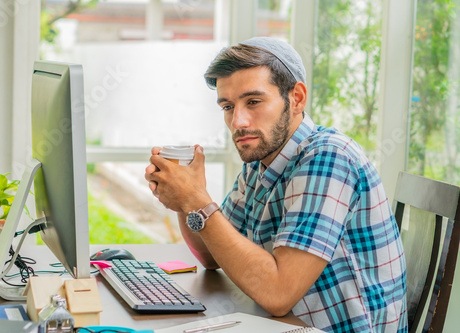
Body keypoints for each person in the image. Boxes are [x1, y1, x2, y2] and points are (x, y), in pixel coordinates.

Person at [145, 37, 407, 332]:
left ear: (296, 98)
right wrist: (185, 200)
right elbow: (210, 255)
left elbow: (278, 294)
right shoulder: (260, 163)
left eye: (253, 101)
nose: (238, 122)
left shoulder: (328, 157)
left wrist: (196, 201)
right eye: (228, 106)